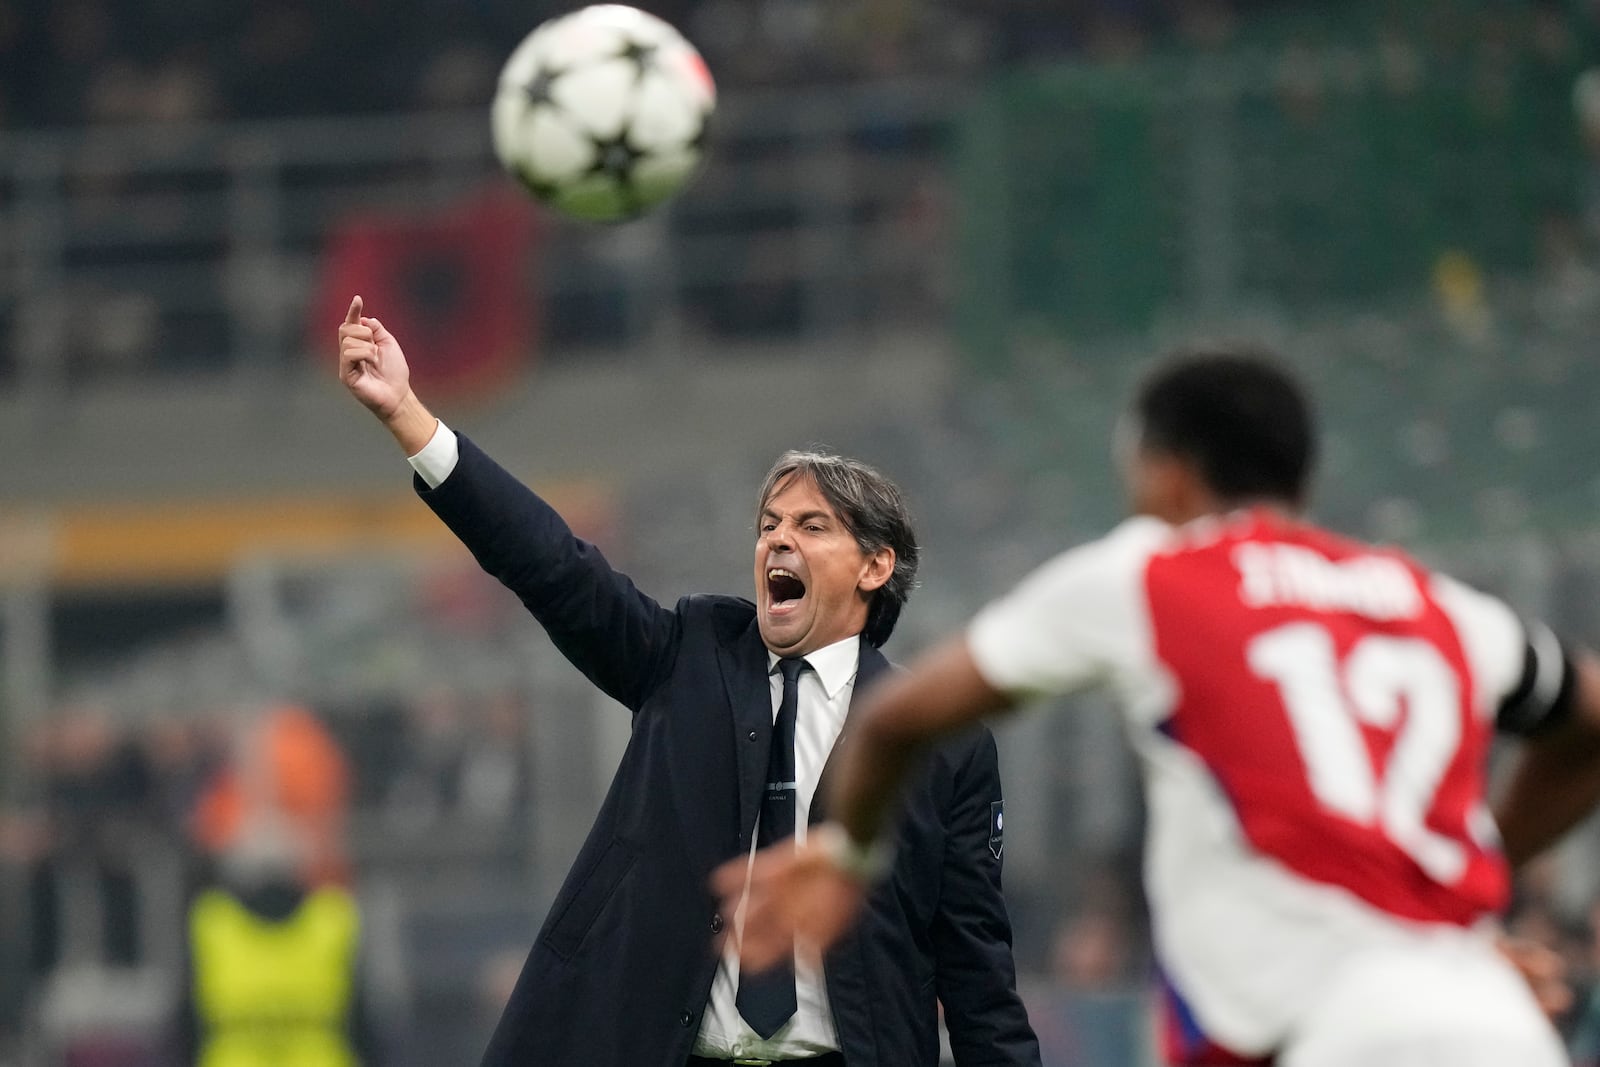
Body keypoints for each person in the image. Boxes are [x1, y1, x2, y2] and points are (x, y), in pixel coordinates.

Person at [727, 348, 1600, 1067]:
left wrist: (849, 853)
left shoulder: (1151, 572)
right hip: (1499, 1024)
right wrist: (1465, 890)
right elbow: (1588, 719)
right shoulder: (1430, 600)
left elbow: (896, 719)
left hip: (1323, 1036)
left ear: (1170, 475)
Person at [335, 296, 1041, 1067]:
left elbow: (977, 975)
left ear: (876, 566)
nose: (777, 537)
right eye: (769, 523)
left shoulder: (935, 744)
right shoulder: (690, 655)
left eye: (811, 526)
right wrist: (409, 417)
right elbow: (551, 567)